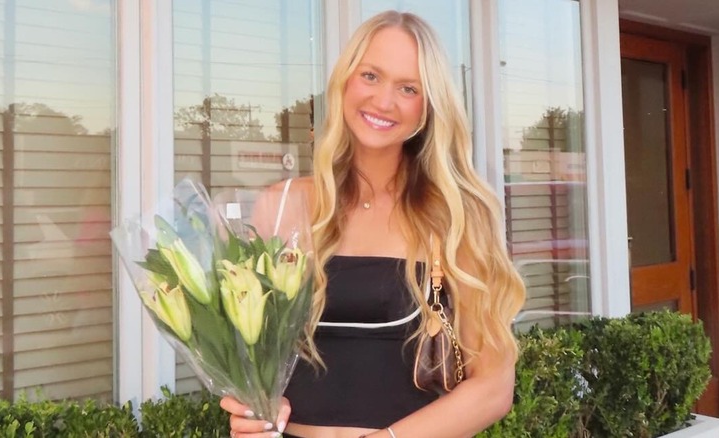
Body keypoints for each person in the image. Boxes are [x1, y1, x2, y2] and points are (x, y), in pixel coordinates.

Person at [220, 10, 525, 438]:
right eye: (370, 76)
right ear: (345, 81)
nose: (384, 101)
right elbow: (252, 357)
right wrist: (253, 405)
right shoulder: (281, 204)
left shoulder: (454, 216)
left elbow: (493, 388)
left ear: (428, 107)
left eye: (408, 88)